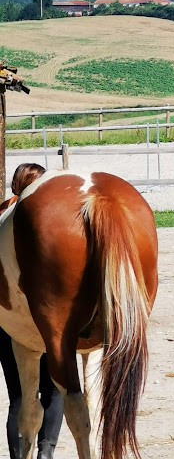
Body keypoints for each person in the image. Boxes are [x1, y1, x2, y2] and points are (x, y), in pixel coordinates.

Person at [0, 163, 64, 459]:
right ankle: (46, 452)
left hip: (7, 320)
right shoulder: (50, 222)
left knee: (19, 395)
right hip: (45, 316)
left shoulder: (2, 214)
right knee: (54, 391)